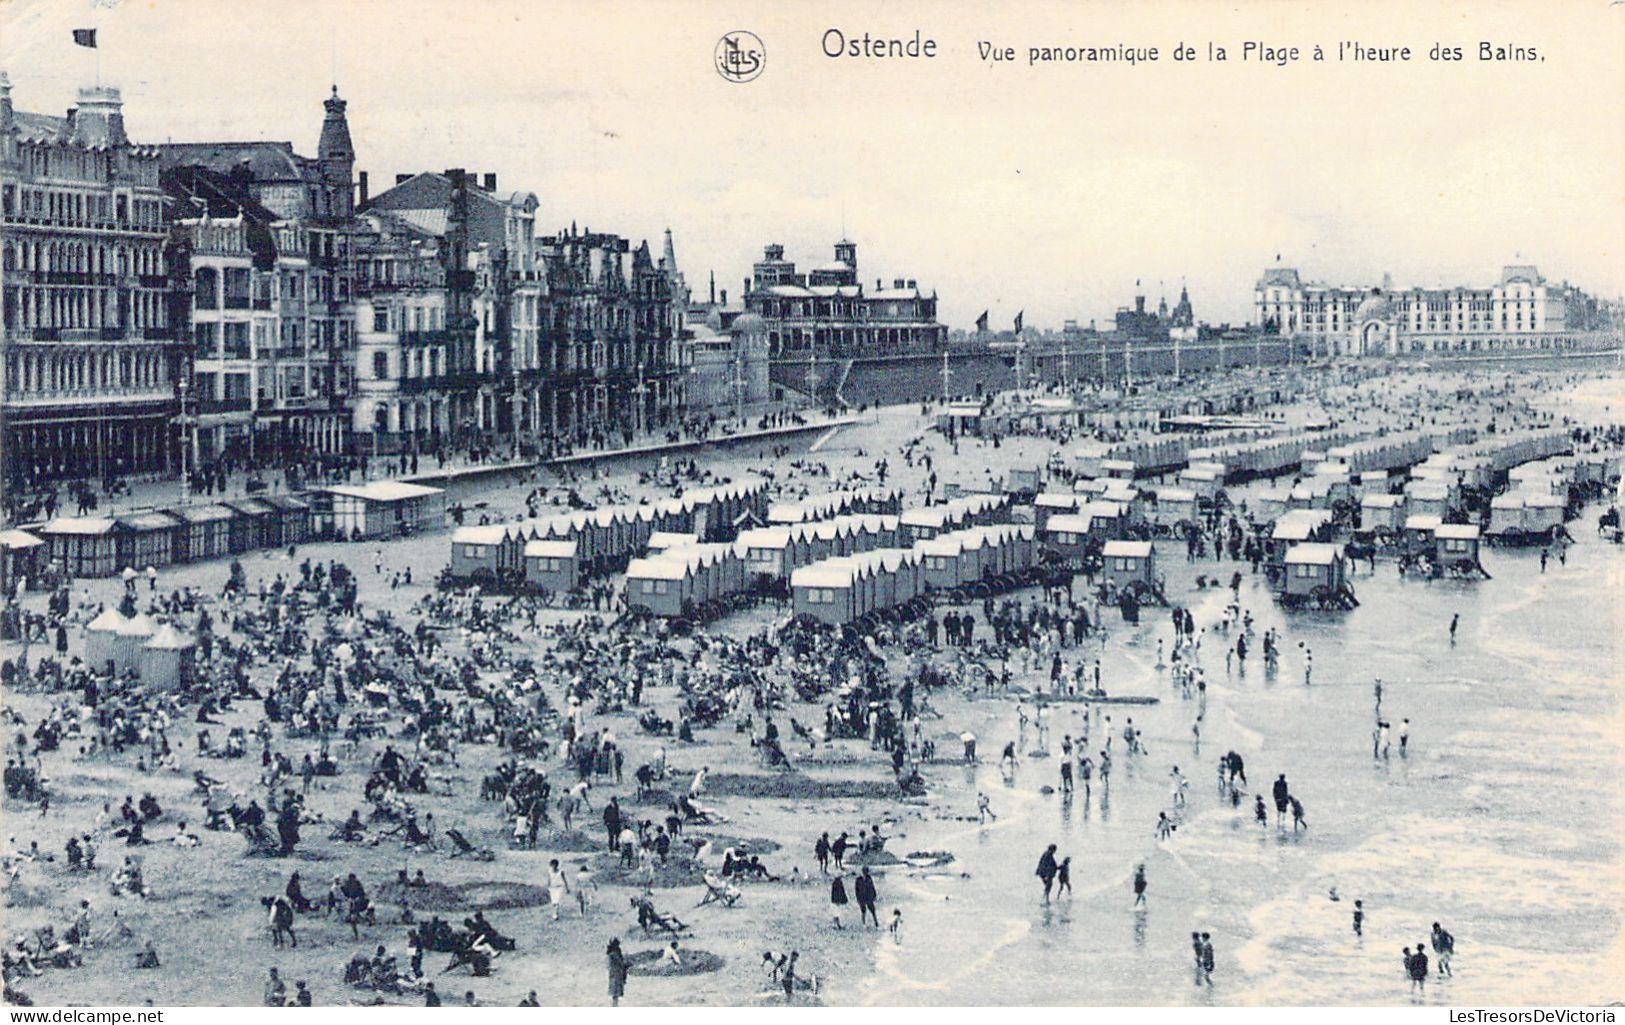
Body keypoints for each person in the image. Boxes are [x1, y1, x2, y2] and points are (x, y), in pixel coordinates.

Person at [606, 938, 627, 1006]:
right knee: (616, 992)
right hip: (616, 974)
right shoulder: (614, 954)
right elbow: (621, 962)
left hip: (615, 974)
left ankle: (615, 1004)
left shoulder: (611, 954)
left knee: (615, 992)